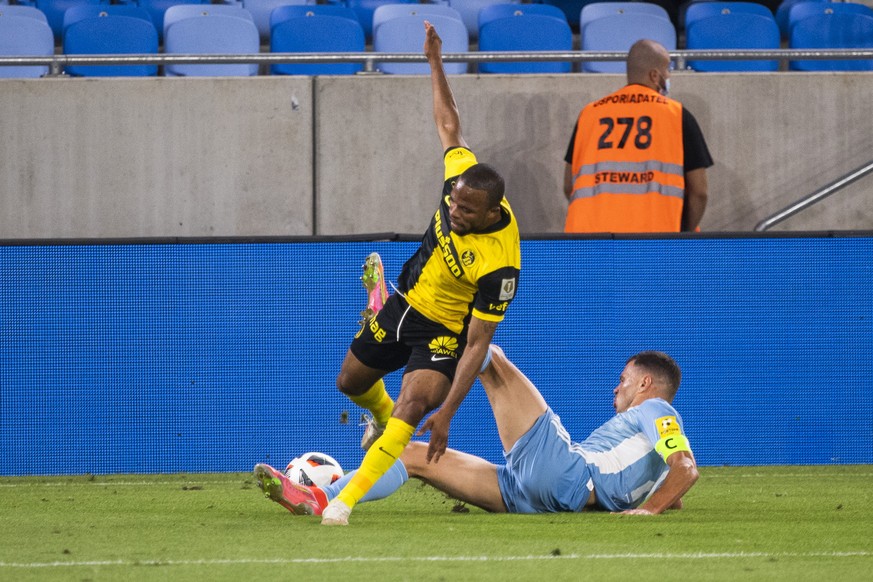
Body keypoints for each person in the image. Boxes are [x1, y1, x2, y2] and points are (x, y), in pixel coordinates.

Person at [307, 21, 521, 526]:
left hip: (445, 334)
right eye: (453, 200)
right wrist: (433, 61)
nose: (454, 211)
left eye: (466, 211)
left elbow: (478, 343)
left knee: (413, 405)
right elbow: (450, 124)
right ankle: (382, 426)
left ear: (492, 212)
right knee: (350, 381)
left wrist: (446, 413)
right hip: (404, 302)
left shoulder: (500, 263)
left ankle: (343, 500)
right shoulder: (461, 180)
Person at [254, 345, 699, 517]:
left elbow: (687, 468)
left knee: (491, 356)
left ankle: (407, 342)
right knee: (412, 456)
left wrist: (650, 511)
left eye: (623, 378)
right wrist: (660, 500)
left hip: (565, 473)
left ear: (645, 383)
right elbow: (674, 484)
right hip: (533, 496)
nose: (615, 385)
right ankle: (318, 500)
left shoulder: (658, 408)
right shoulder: (648, 450)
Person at [563, 39, 713, 233]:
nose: (668, 76)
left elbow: (569, 184)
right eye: (667, 70)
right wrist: (684, 235)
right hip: (656, 242)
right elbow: (699, 192)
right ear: (654, 75)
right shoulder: (677, 115)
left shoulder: (589, 113)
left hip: (591, 241)